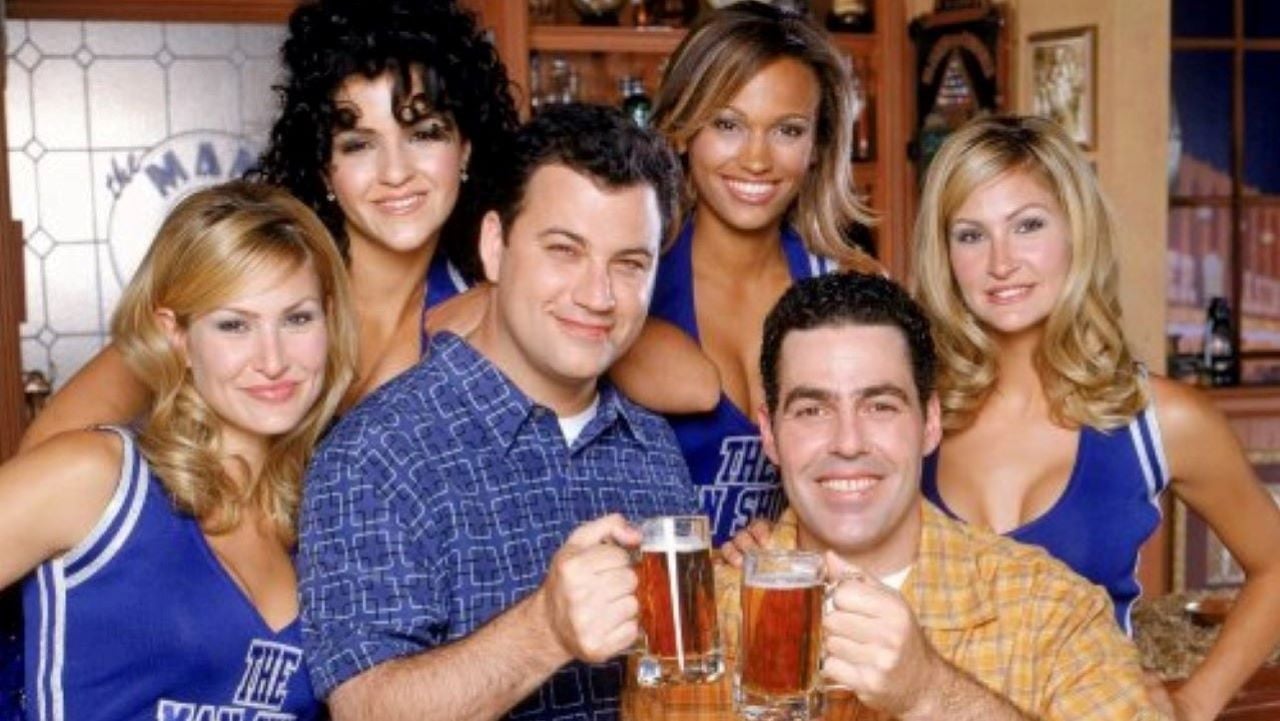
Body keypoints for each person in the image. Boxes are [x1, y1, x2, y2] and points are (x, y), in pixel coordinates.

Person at [298, 104, 700, 720]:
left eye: (629, 264)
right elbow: (366, 708)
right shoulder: (375, 454)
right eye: (565, 250)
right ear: (495, 246)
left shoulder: (652, 448)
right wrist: (545, 629)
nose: (598, 296)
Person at [628, 272, 1164, 720]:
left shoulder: (1050, 611)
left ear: (929, 423)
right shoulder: (693, 633)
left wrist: (933, 693)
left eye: (880, 405)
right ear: (769, 434)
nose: (848, 442)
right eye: (812, 410)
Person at [18, 0, 520, 448]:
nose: (395, 172)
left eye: (424, 134)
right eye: (358, 144)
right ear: (325, 166)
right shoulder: (251, 277)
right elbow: (48, 446)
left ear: (466, 150)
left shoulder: (496, 307)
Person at [911, 114, 1280, 720]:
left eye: (1028, 226)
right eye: (971, 235)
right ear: (944, 254)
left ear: (1075, 233)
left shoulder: (1160, 421)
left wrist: (1196, 701)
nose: (1001, 262)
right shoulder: (904, 411)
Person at [0, 181, 358, 719]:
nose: (273, 359)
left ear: (329, 320)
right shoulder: (96, 477)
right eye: (233, 325)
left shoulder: (326, 519)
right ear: (176, 335)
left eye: (297, 318)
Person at [638, 1, 879, 545]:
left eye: (787, 131)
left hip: (803, 605)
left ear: (817, 146)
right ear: (681, 129)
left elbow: (891, 478)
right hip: (651, 613)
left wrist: (798, 540)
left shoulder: (847, 289)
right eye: (727, 124)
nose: (756, 160)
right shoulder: (625, 285)